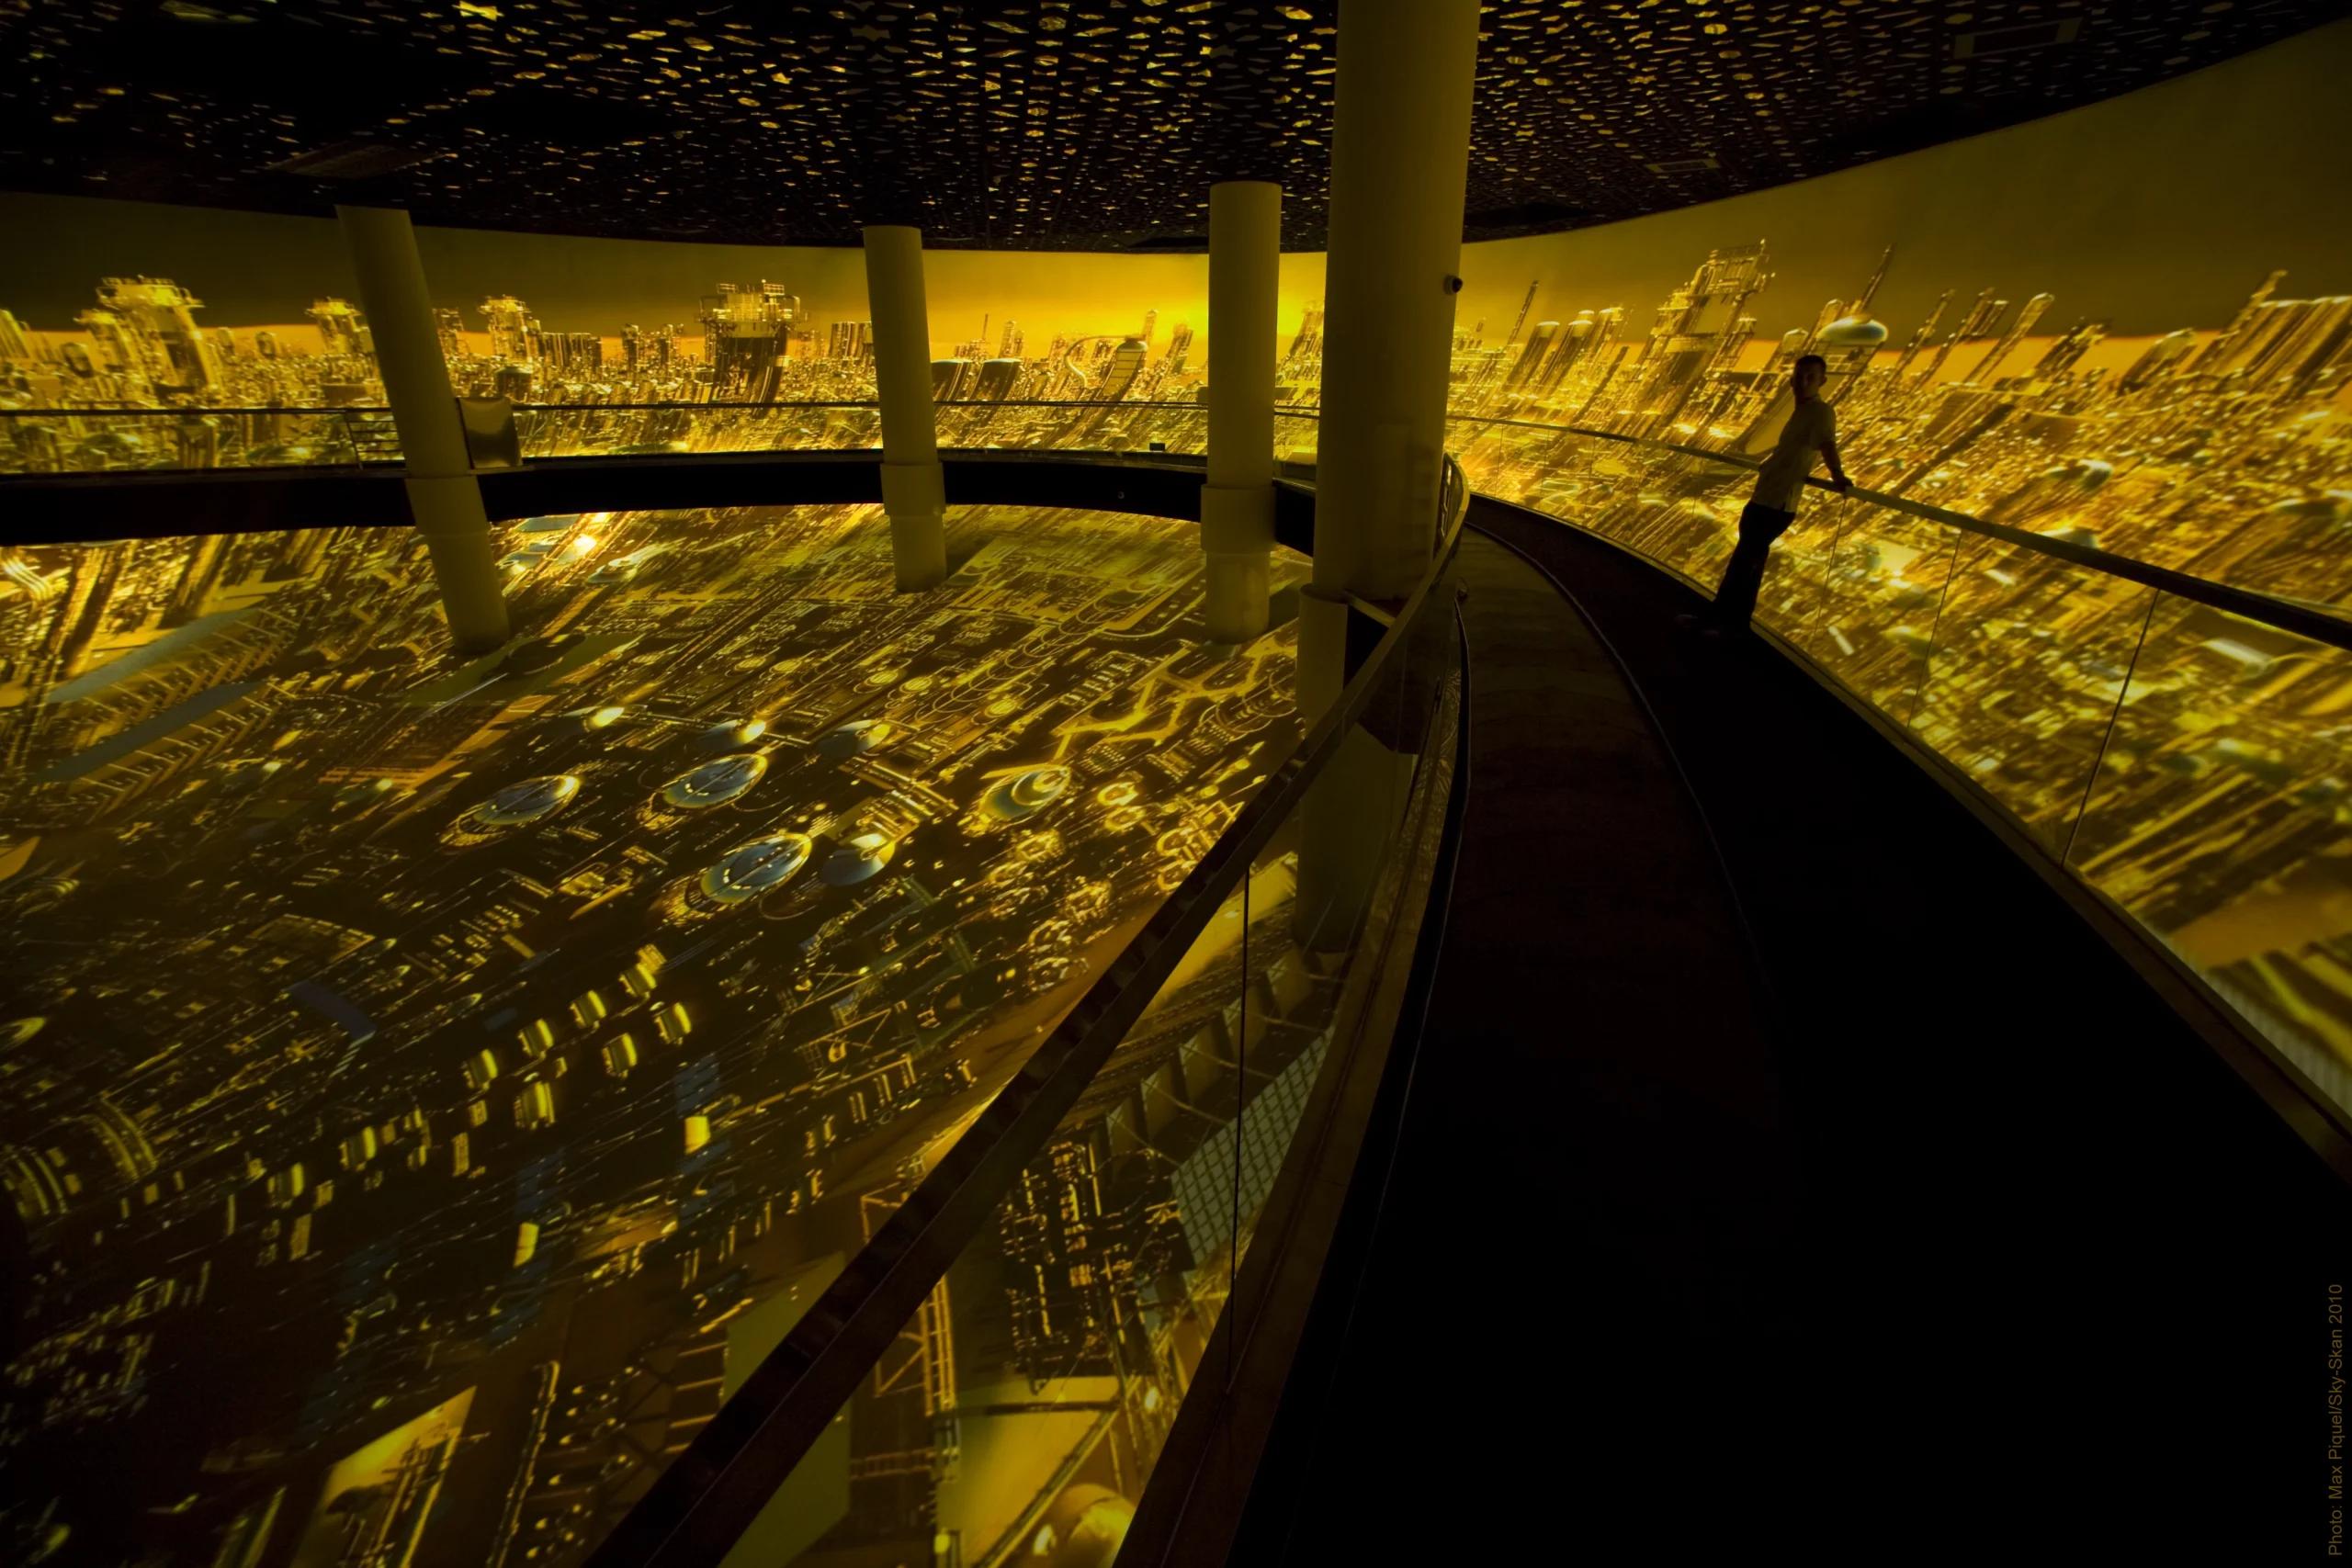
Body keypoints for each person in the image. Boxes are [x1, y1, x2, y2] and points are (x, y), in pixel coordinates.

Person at [1686, 353, 1850, 637]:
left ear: (1822, 381)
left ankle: (1721, 623)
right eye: (1800, 375)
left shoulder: (1821, 412)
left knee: (1742, 566)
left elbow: (1827, 444)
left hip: (1776, 504)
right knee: (1747, 565)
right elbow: (1794, 451)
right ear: (1791, 380)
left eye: (1811, 376)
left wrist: (1839, 478)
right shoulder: (1802, 411)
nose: (1804, 381)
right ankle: (1732, 624)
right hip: (1767, 499)